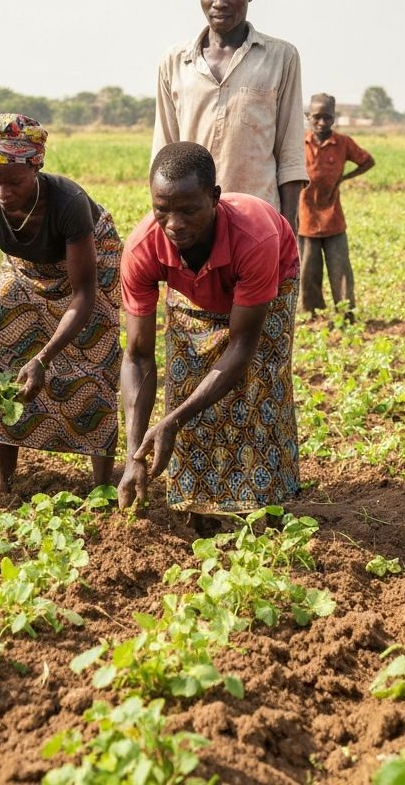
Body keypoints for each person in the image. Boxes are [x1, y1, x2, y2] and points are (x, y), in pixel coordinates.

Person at [117, 142, 301, 524]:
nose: (174, 225)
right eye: (162, 210)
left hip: (270, 282)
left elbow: (242, 345)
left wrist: (172, 420)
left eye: (188, 210)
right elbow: (138, 356)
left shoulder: (255, 237)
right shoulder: (142, 249)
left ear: (214, 198)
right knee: (186, 383)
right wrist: (134, 453)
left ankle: (263, 502)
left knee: (255, 386)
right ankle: (196, 506)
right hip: (194, 291)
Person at [0, 114, 122, 494]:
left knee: (93, 361)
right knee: (9, 359)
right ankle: (3, 482)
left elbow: (84, 294)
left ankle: (101, 485)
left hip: (92, 265)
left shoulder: (68, 202)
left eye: (14, 182)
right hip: (27, 266)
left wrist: (45, 358)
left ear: (36, 166)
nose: (3, 193)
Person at [152, 0, 307, 233]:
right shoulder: (175, 62)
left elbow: (290, 155)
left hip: (258, 223)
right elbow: (164, 153)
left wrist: (288, 232)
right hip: (193, 225)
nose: (220, 2)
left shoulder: (281, 57)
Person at [299, 93, 375, 318]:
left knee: (340, 270)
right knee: (307, 271)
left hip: (333, 217)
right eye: (317, 117)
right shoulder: (298, 142)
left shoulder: (343, 143)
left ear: (334, 118)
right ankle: (312, 313)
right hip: (306, 217)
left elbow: (367, 161)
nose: (322, 122)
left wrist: (344, 177)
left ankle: (346, 314)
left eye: (327, 117)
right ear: (308, 116)